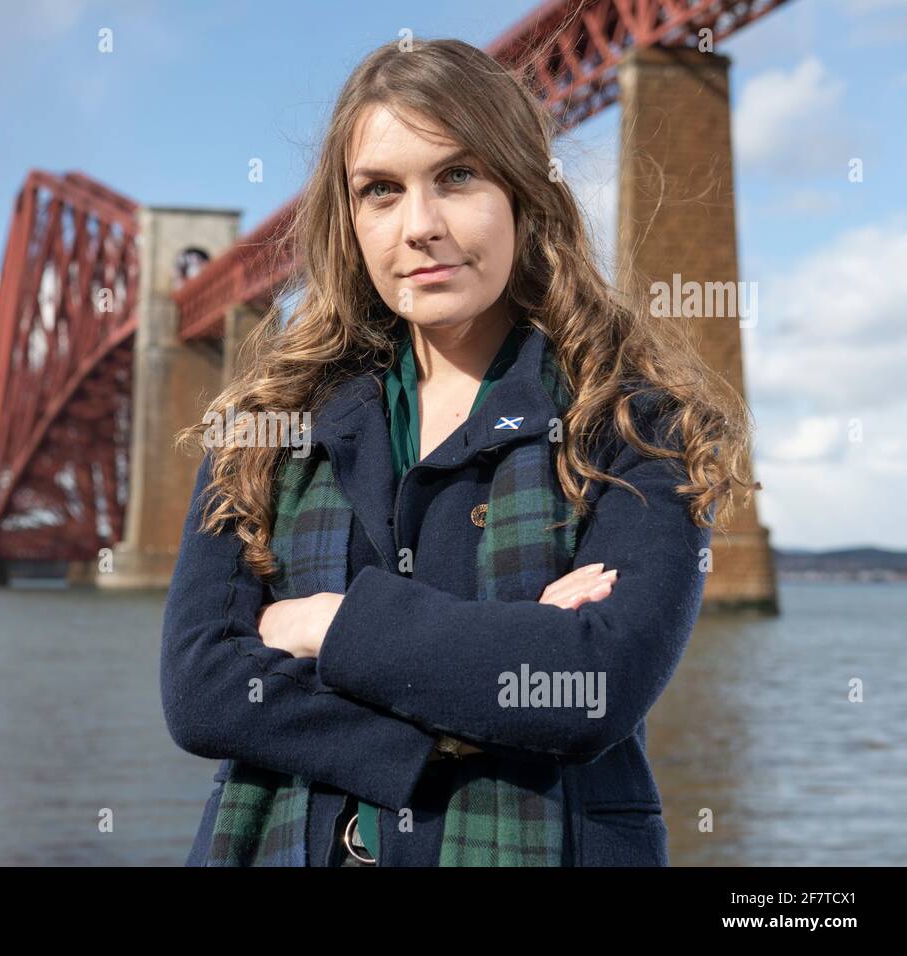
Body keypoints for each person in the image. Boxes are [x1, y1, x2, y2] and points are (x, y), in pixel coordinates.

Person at [160, 37, 757, 867]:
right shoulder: (263, 431)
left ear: (523, 192)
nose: (421, 227)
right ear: (350, 221)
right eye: (380, 191)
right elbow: (203, 692)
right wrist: (498, 664)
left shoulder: (636, 424)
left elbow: (591, 687)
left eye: (458, 176)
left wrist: (320, 626)